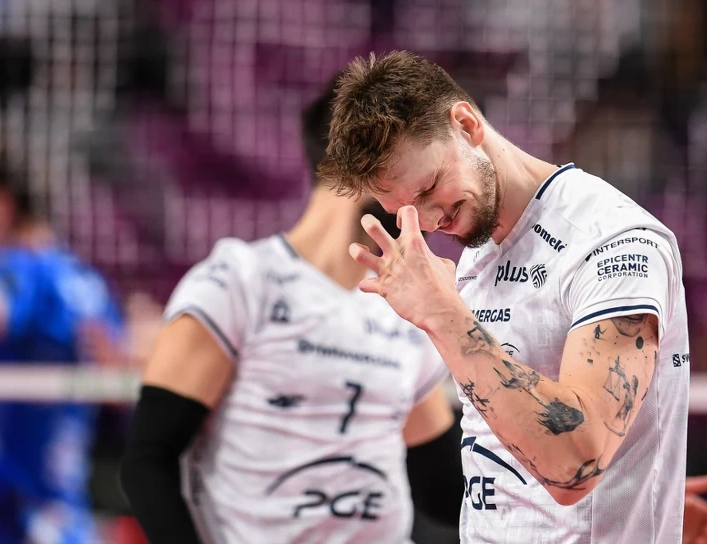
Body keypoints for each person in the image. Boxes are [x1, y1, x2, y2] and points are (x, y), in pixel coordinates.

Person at [320, 51, 690, 542]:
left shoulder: (614, 242)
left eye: (429, 188)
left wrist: (443, 316)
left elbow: (576, 465)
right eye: (405, 209)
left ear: (466, 125)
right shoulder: (475, 254)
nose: (430, 221)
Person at [120, 82, 465, 543]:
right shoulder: (239, 282)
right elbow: (148, 462)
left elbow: (443, 487)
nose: (431, 199)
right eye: (418, 172)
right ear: (356, 163)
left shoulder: (405, 305)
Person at [0, 156, 123, 543]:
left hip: (24, 518)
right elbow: (116, 374)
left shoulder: (27, 271)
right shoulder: (80, 278)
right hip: (53, 514)